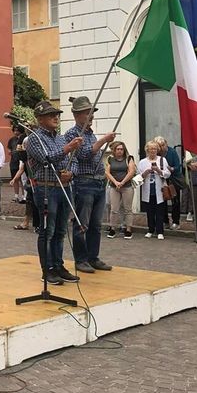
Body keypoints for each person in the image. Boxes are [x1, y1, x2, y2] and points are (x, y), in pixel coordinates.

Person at [26, 100, 83, 286]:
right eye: (51, 115)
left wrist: (71, 172)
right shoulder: (34, 138)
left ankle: (58, 265)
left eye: (57, 114)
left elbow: (73, 159)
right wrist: (68, 148)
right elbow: (46, 159)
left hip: (63, 187)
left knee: (60, 230)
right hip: (46, 187)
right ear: (40, 119)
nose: (55, 117)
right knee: (47, 231)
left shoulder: (60, 137)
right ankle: (47, 269)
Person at [63, 95, 116, 274]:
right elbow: (85, 154)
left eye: (92, 112)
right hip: (84, 182)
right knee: (82, 224)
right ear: (78, 115)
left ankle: (93, 257)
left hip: (98, 181)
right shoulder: (72, 134)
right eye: (88, 113)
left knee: (95, 225)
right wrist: (103, 140)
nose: (91, 116)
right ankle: (81, 259)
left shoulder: (90, 133)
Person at [138, 140, 171, 239]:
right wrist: (146, 172)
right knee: (150, 212)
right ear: (147, 150)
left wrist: (158, 170)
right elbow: (138, 176)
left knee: (160, 211)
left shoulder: (162, 160)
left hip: (159, 190)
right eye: (151, 149)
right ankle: (150, 230)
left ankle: (160, 231)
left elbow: (168, 173)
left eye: (155, 149)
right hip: (148, 190)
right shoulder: (143, 162)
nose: (153, 150)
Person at [105, 142, 136, 239]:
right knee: (114, 209)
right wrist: (115, 182)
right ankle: (113, 228)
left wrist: (122, 182)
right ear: (114, 150)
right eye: (117, 149)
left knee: (127, 209)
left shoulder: (129, 158)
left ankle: (128, 230)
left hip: (127, 187)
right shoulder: (110, 159)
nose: (119, 151)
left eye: (121, 149)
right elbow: (107, 172)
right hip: (114, 187)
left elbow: (131, 171)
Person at [154, 136, 183, 230]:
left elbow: (178, 166)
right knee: (163, 201)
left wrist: (172, 169)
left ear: (166, 143)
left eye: (163, 145)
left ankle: (176, 222)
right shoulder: (156, 154)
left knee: (175, 201)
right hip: (161, 179)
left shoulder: (172, 152)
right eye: (159, 145)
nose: (162, 147)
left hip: (173, 179)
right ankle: (165, 221)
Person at [8, 127, 26, 202]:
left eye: (17, 131)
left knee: (23, 179)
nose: (15, 132)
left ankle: (24, 195)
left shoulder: (23, 138)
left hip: (21, 160)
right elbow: (9, 148)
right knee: (15, 178)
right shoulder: (12, 139)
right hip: (14, 161)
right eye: (14, 131)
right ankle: (16, 196)